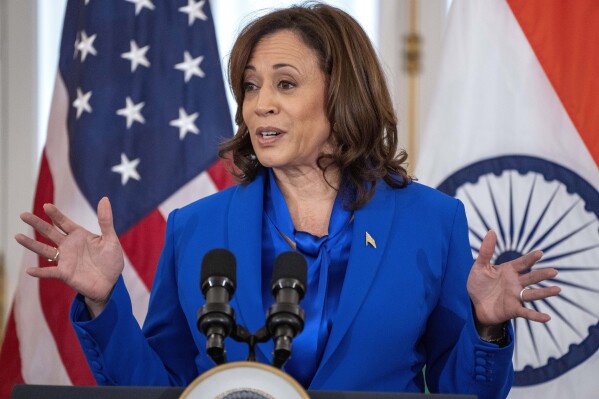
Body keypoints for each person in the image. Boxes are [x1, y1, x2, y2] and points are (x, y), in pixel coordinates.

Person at [15, 3, 560, 398]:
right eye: (251, 87)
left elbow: (461, 393)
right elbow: (161, 389)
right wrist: (102, 302)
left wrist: (487, 328)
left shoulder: (431, 222)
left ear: (341, 95)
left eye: (285, 84)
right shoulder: (196, 227)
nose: (260, 106)